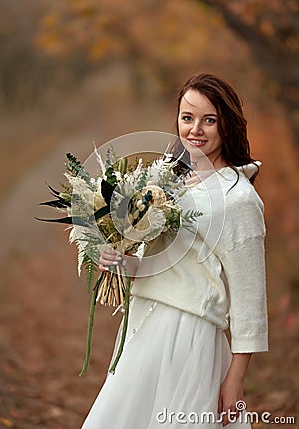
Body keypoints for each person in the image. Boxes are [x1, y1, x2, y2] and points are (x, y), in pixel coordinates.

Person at [81, 73, 268, 428]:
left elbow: (250, 300)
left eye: (209, 120)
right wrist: (122, 261)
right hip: (143, 328)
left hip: (189, 337)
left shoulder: (238, 198)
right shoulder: (170, 180)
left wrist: (235, 379)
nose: (195, 129)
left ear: (226, 125)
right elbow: (165, 265)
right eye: (187, 117)